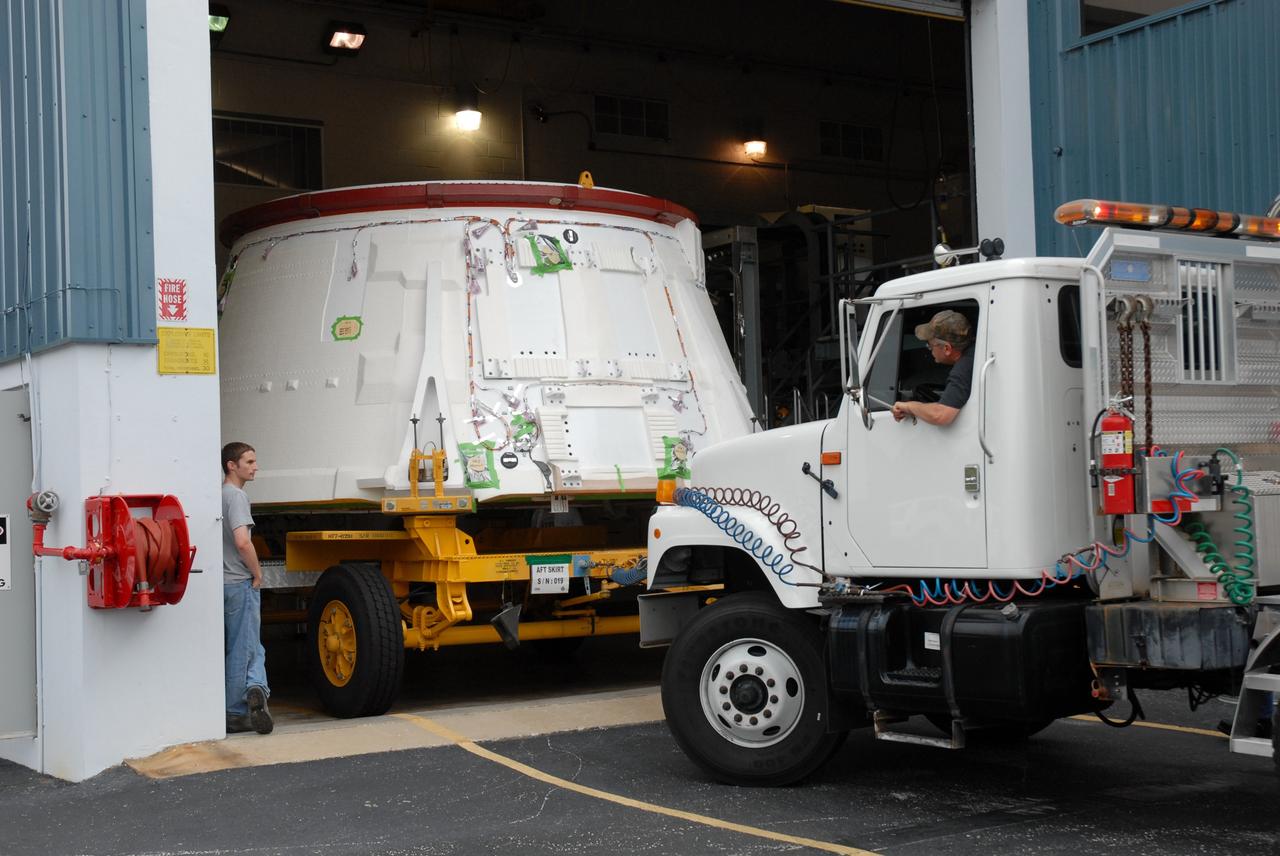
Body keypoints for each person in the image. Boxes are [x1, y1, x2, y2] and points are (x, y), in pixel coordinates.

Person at [222, 441, 273, 735]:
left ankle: (256, 688)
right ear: (232, 465)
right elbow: (243, 541)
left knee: (249, 647)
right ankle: (238, 709)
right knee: (245, 648)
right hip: (239, 582)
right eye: (250, 462)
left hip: (222, 582)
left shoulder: (217, 495)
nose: (256, 467)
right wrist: (257, 573)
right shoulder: (237, 497)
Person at [891, 310, 975, 427]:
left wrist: (909, 406)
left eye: (929, 345)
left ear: (947, 349)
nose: (929, 349)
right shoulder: (974, 352)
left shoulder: (963, 369)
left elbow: (940, 415)